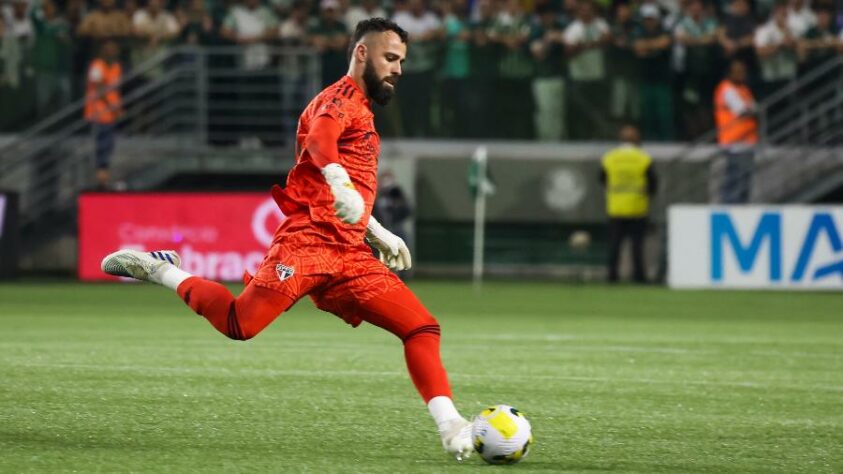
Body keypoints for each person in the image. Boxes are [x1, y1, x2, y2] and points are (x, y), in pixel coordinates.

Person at [100, 18, 475, 461]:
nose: (398, 69)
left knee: (421, 327)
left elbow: (336, 177)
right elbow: (320, 143)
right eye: (390, 58)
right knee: (241, 325)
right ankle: (162, 268)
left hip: (349, 254)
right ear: (361, 53)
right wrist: (339, 183)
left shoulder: (363, 109)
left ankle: (451, 425)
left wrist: (374, 230)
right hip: (308, 243)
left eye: (401, 61)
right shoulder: (339, 99)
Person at [599, 124, 657, 283]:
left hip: (616, 208)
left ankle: (612, 276)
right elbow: (653, 184)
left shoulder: (610, 157)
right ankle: (639, 277)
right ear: (637, 140)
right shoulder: (643, 158)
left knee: (614, 246)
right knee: (637, 246)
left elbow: (602, 179)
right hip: (638, 208)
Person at [714, 59, 757, 203]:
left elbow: (754, 108)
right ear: (730, 73)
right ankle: (730, 207)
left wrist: (751, 110)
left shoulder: (744, 89)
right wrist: (750, 110)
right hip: (734, 143)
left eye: (743, 71)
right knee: (735, 180)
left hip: (746, 142)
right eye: (738, 71)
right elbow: (743, 111)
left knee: (745, 181)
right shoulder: (726, 89)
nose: (742, 74)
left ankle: (740, 207)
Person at [84, 40, 123, 190]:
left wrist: (117, 109)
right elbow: (99, 88)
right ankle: (100, 178)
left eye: (114, 49)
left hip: (111, 115)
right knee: (102, 145)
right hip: (98, 113)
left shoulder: (117, 67)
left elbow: (116, 90)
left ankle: (104, 176)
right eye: (108, 49)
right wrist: (112, 107)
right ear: (102, 51)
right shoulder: (96, 66)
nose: (111, 52)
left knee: (109, 145)